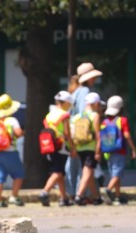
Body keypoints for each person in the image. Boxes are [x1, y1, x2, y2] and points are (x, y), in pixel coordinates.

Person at [66, 63, 102, 200]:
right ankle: (81, 195)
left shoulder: (74, 92)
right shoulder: (85, 92)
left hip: (74, 135)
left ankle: (92, 196)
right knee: (86, 168)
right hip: (85, 137)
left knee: (79, 166)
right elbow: (84, 117)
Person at [0, 93, 24, 208]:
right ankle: (14, 196)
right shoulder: (12, 121)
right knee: (18, 174)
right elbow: (18, 133)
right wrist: (21, 134)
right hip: (10, 151)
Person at [39, 91, 76, 207]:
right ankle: (44, 192)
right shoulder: (64, 115)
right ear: (65, 103)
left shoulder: (49, 115)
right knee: (58, 172)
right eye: (69, 104)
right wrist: (73, 147)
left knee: (59, 172)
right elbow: (67, 132)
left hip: (49, 145)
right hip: (61, 146)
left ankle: (63, 198)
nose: (70, 106)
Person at [101, 95, 136, 205]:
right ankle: (108, 190)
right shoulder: (122, 120)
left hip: (108, 152)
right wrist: (133, 149)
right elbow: (126, 135)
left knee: (114, 174)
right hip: (119, 151)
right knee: (117, 174)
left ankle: (118, 196)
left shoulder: (104, 122)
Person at [72, 92, 103, 205]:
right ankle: (79, 196)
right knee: (87, 171)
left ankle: (96, 197)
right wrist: (98, 151)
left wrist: (74, 148)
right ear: (95, 103)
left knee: (88, 173)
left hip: (80, 147)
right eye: (98, 104)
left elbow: (73, 135)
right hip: (91, 147)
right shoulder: (95, 116)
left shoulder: (76, 117)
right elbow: (98, 134)